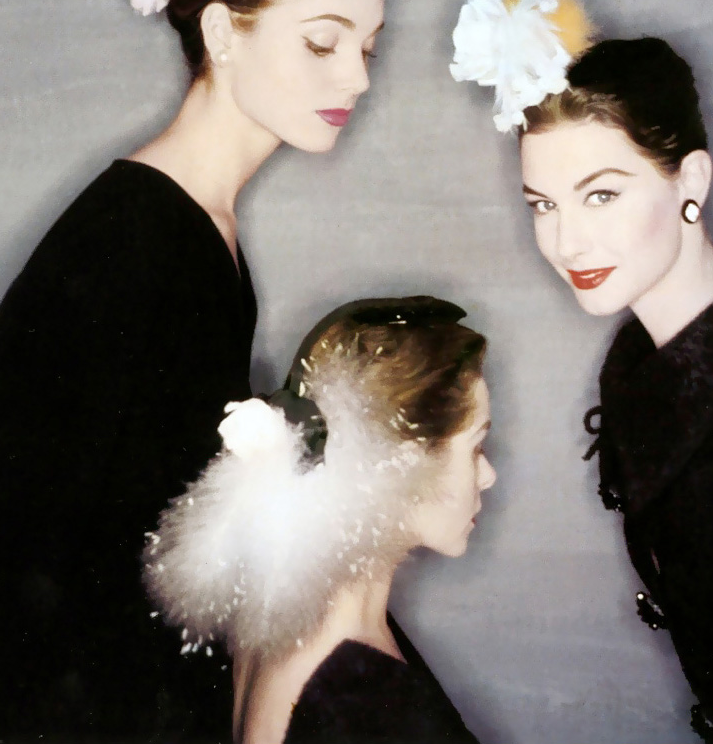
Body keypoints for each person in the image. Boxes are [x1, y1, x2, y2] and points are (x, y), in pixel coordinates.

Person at [0, 0, 385, 744]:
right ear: (224, 32)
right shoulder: (131, 239)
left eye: (368, 46)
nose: (357, 77)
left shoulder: (204, 231)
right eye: (323, 43)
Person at [450, 0, 713, 741]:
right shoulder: (643, 374)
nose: (567, 243)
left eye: (601, 196)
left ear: (690, 181)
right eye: (543, 205)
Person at [146, 296, 495, 744]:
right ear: (405, 467)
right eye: (476, 447)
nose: (488, 475)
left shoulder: (276, 632)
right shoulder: (363, 698)